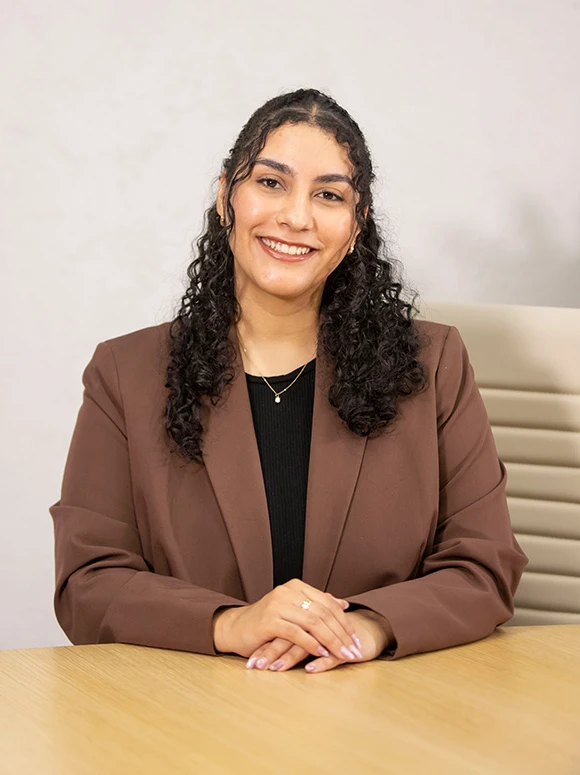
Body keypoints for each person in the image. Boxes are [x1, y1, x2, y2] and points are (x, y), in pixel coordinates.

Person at [50, 88, 527, 674]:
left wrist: (367, 627)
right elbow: (88, 581)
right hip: (192, 719)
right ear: (226, 196)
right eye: (271, 183)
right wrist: (232, 623)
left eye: (329, 195)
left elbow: (485, 565)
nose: (296, 217)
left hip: (383, 714)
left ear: (356, 226)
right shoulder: (125, 373)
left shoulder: (434, 364)